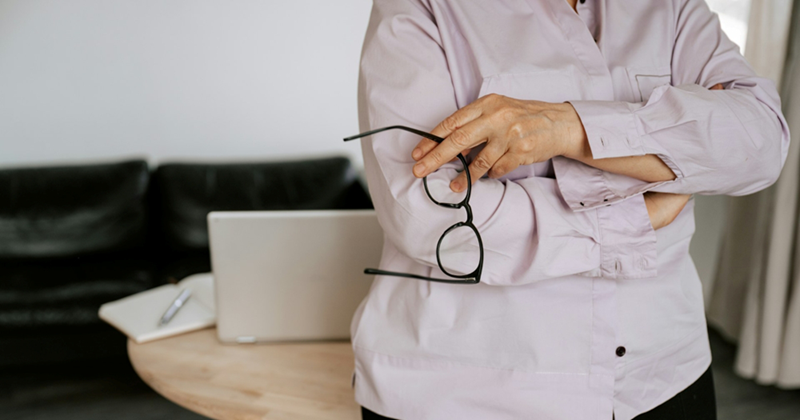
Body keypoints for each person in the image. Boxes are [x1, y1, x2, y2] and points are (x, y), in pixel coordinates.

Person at [350, 0, 790, 419]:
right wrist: (643, 206)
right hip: (469, 389)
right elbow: (432, 217)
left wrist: (568, 128)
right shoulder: (422, 8)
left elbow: (760, 142)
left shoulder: (670, 7)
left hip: (661, 376)